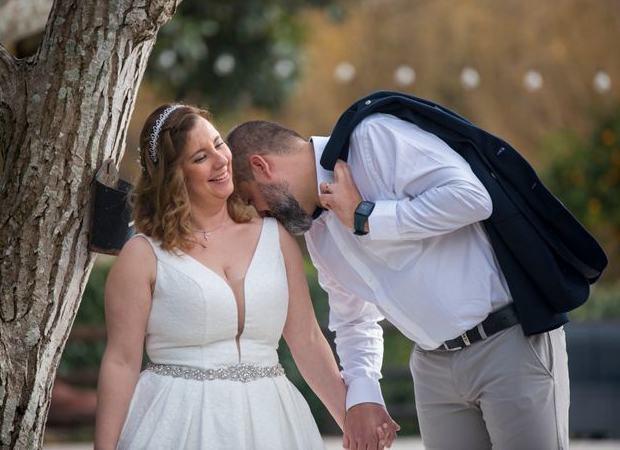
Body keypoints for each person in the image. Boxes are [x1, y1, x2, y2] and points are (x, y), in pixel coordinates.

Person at [226, 96, 575, 449]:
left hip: (506, 346)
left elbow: (472, 197)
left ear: (261, 167)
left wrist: (367, 216)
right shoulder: (318, 235)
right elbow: (353, 320)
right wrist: (364, 393)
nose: (264, 215)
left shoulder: (372, 140)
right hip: (432, 369)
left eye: (254, 201)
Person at [93, 104, 394, 449]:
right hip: (179, 421)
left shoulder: (275, 237)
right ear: (175, 175)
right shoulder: (143, 255)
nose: (221, 160)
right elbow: (121, 362)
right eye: (200, 157)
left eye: (219, 144)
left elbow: (307, 340)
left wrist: (353, 423)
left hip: (272, 422)